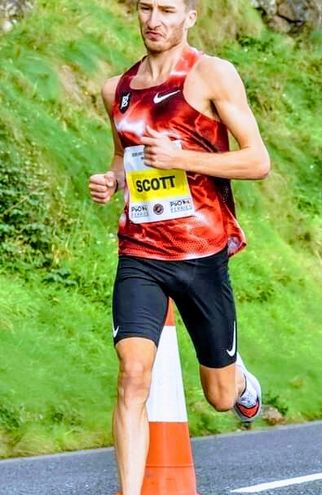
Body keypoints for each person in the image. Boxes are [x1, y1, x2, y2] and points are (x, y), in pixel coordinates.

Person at [87, 1, 269, 493]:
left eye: (167, 9)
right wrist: (112, 180)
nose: (154, 20)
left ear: (191, 16)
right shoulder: (117, 90)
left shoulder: (211, 75)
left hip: (201, 254)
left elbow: (257, 161)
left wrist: (181, 157)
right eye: (145, 8)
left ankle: (240, 379)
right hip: (141, 253)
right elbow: (124, 156)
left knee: (220, 396)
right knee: (132, 374)